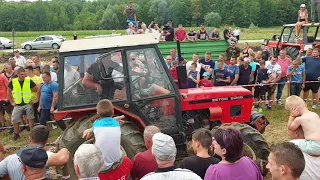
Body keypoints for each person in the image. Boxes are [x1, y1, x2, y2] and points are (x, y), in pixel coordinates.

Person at [82, 99, 131, 180]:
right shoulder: (116, 124)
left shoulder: (96, 124)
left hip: (101, 166)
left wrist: (89, 130)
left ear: (97, 113)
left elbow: (96, 127)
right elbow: (112, 120)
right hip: (115, 161)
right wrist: (116, 118)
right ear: (113, 112)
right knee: (126, 160)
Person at [0, 125, 70, 180]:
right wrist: (64, 149)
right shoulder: (45, 155)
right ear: (47, 141)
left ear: (29, 138)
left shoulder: (9, 160)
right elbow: (62, 158)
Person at [7, 67, 38, 140]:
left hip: (28, 103)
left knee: (31, 118)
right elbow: (9, 92)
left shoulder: (28, 80)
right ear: (17, 74)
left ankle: (32, 134)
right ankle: (16, 134)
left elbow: (37, 89)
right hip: (18, 104)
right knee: (14, 119)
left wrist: (36, 100)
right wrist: (11, 101)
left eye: (24, 74)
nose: (23, 76)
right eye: (22, 74)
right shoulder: (13, 81)